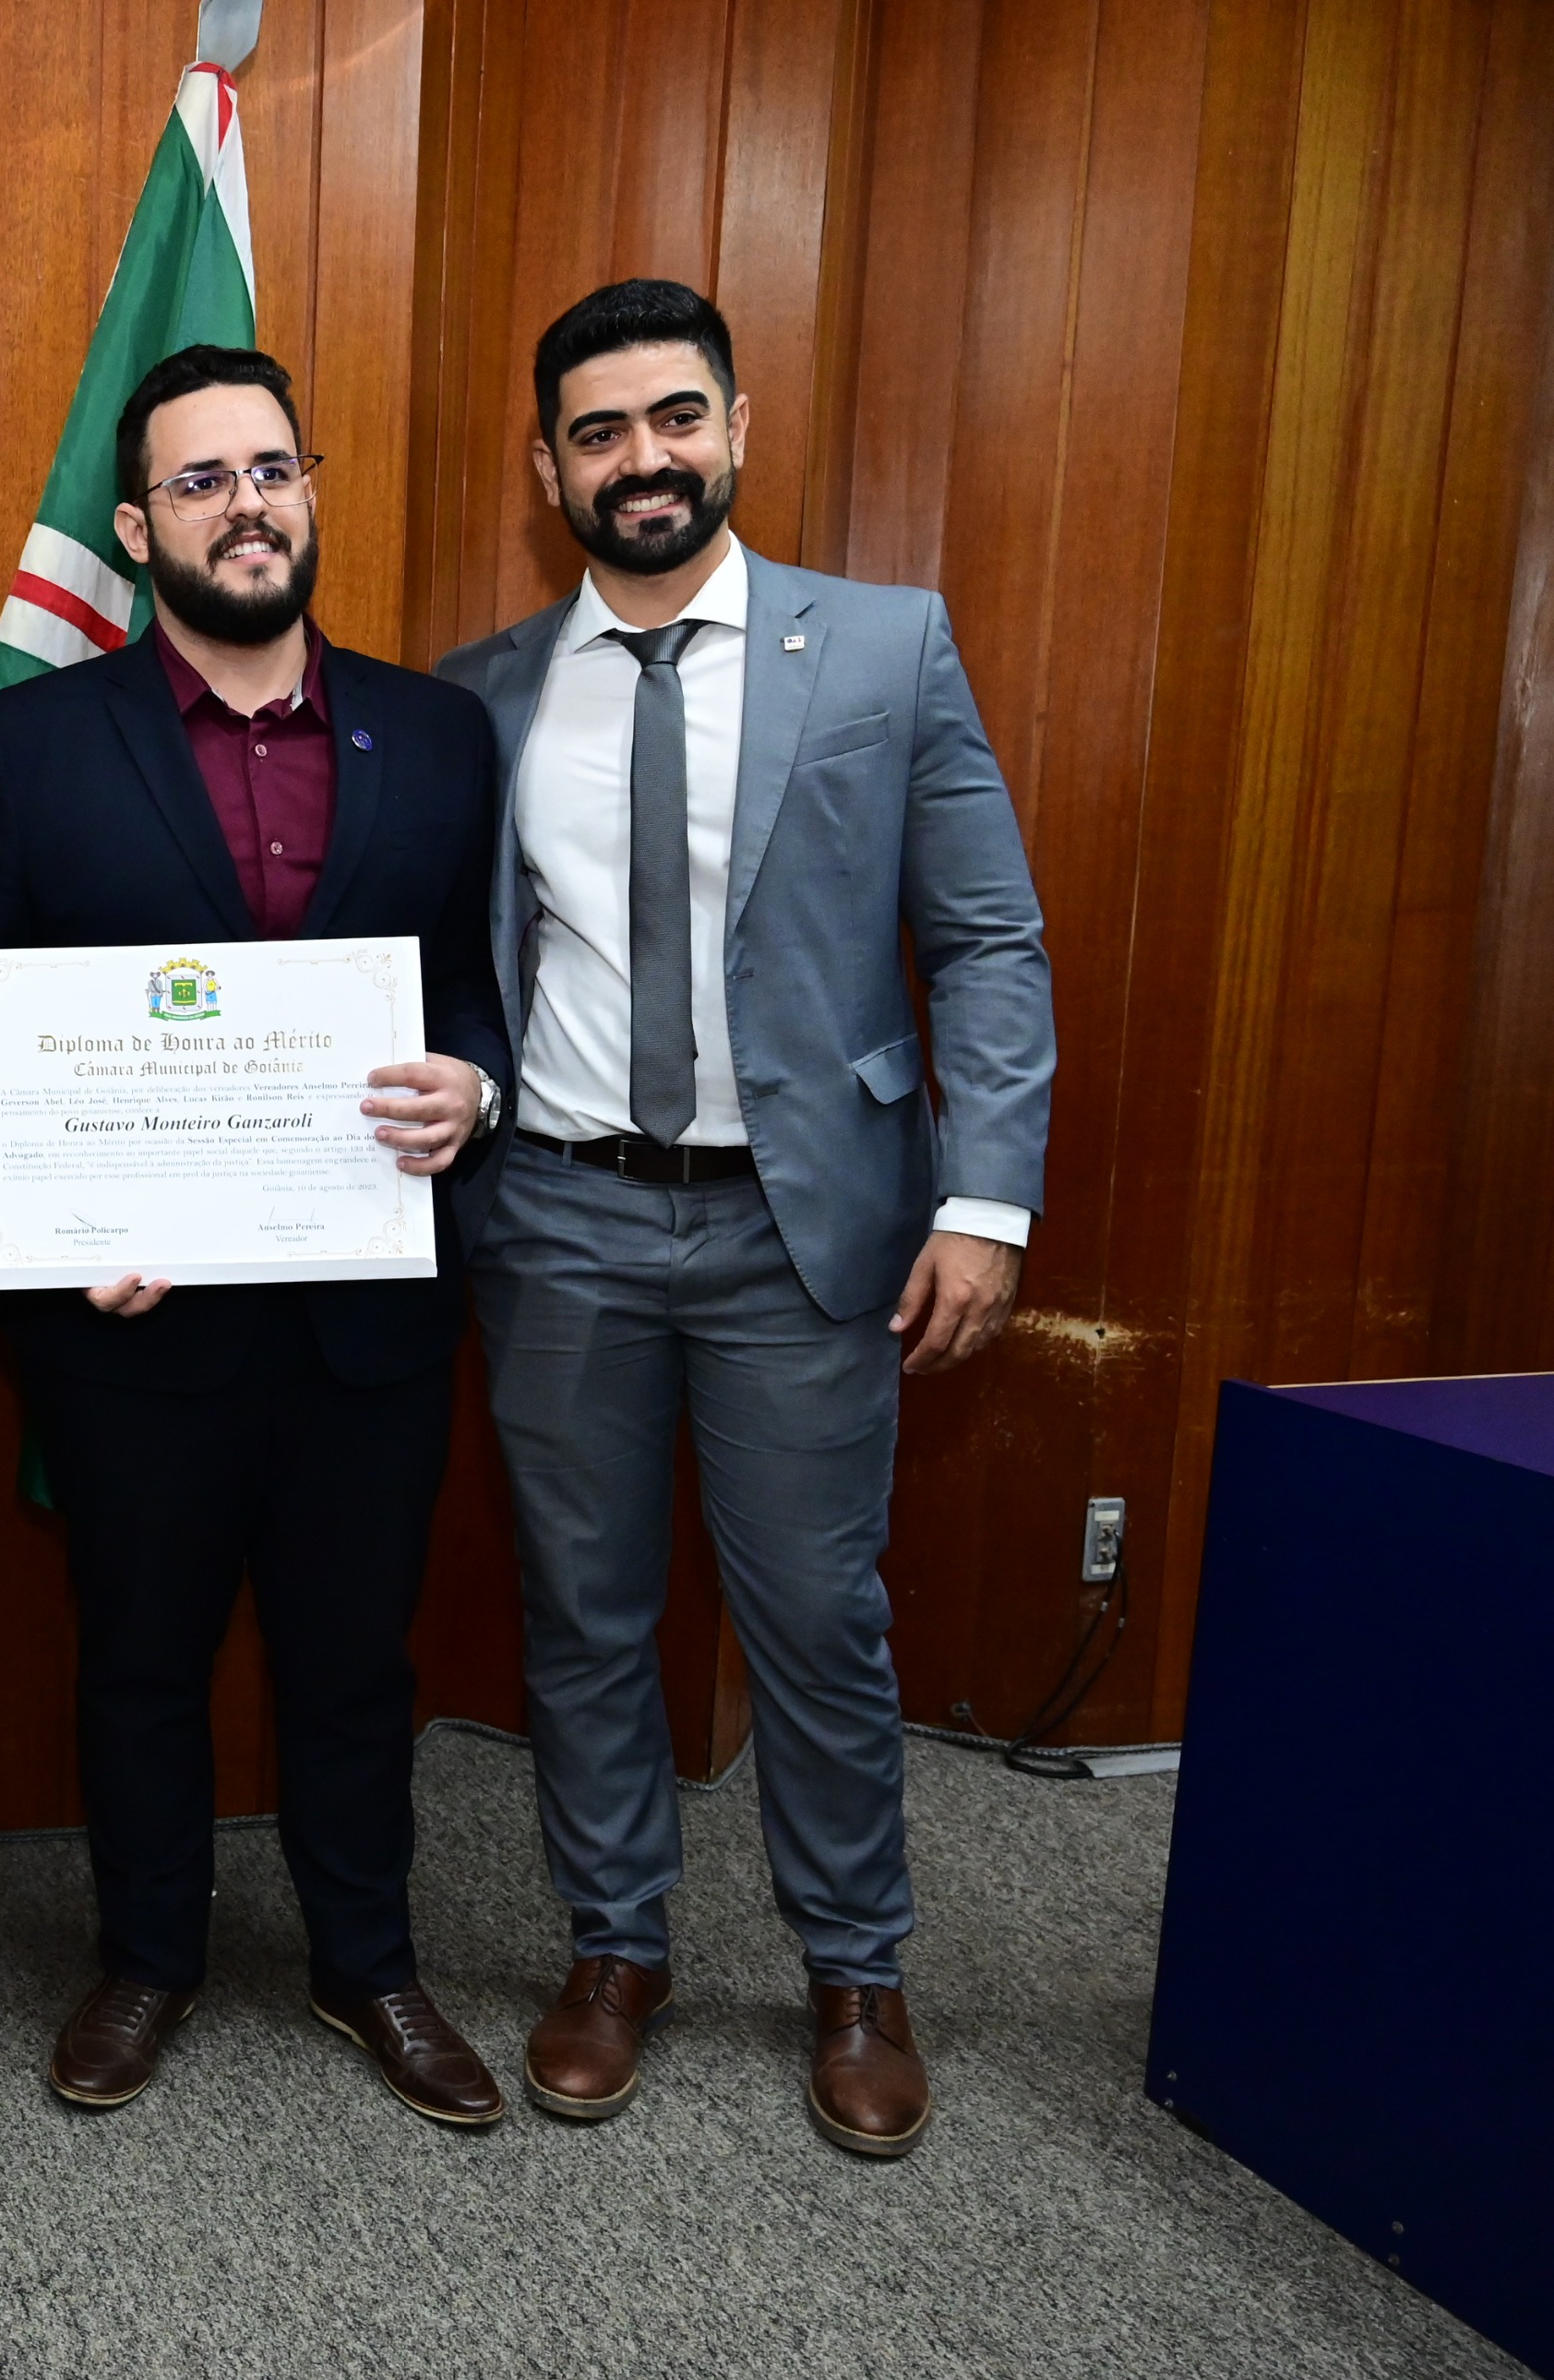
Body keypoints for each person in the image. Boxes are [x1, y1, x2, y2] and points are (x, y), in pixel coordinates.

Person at [438, 279, 1052, 2157]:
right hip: (559, 1220)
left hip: (808, 1234)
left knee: (815, 1618)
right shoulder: (481, 694)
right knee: (584, 1611)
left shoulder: (880, 647)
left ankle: (855, 1970)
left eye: (674, 417)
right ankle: (613, 1947)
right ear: (548, 468)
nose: (643, 459)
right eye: (600, 433)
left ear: (736, 427)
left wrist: (986, 1198)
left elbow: (985, 938)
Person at [0, 345, 514, 2125]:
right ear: (137, 530)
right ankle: (149, 1958)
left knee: (355, 1658)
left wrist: (476, 1085)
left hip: (367, 1307)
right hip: (134, 1317)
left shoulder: (438, 733)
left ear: (311, 492)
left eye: (270, 469)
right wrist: (56, 1222)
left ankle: (371, 1964)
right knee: (139, 1655)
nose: (244, 504)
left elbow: (480, 987)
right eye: (199, 481)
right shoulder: (31, 743)